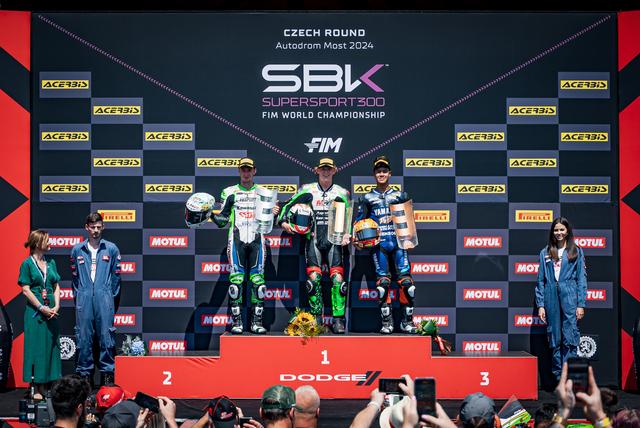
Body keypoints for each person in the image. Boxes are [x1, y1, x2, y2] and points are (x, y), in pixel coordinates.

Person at [278, 158, 351, 333]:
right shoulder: (307, 190)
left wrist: (347, 233)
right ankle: (317, 318)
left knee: (338, 280)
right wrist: (283, 222)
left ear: (334, 170)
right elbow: (287, 205)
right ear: (316, 170)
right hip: (313, 239)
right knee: (313, 279)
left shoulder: (342, 192)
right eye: (322, 168)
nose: (325, 171)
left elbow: (348, 215)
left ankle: (338, 320)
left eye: (329, 168)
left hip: (334, 239)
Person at [212, 157, 280, 334]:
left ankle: (256, 322)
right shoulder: (229, 192)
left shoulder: (264, 192)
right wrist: (209, 215)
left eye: (249, 169)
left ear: (254, 171)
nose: (246, 173)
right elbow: (222, 220)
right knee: (236, 282)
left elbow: (273, 222)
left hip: (258, 240)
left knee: (259, 282)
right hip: (236, 240)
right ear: (239, 171)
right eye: (243, 169)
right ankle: (237, 323)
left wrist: (274, 212)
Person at [354, 155, 417, 334]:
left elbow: (409, 220)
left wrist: (409, 236)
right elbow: (359, 222)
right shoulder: (367, 198)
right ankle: (387, 323)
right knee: (382, 285)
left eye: (384, 171)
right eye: (378, 171)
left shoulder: (400, 195)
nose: (381, 174)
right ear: (374, 174)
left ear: (390, 174)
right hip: (379, 244)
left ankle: (407, 322)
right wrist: (356, 240)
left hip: (399, 243)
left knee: (407, 283)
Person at [70, 212, 121, 387]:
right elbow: (75, 278)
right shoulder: (77, 250)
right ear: (87, 228)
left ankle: (107, 373)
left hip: (104, 297)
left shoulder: (111, 249)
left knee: (106, 336)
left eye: (99, 227)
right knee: (84, 337)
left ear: (103, 227)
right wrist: (81, 296)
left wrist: (108, 296)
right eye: (92, 227)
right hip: (84, 298)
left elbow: (116, 278)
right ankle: (85, 374)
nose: (96, 230)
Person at [535, 217, 587, 379]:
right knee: (555, 337)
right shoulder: (545, 252)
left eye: (562, 229)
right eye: (556, 230)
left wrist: (581, 304)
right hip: (551, 297)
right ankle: (559, 376)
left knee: (570, 335)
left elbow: (581, 278)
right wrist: (541, 305)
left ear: (567, 231)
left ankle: (569, 375)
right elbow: (541, 280)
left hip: (570, 296)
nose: (559, 233)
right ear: (552, 232)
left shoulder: (576, 251)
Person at [18, 229, 62, 398]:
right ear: (37, 243)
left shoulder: (51, 263)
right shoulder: (27, 264)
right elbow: (26, 290)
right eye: (47, 240)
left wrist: (56, 306)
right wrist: (41, 307)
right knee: (36, 348)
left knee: (50, 347)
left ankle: (45, 385)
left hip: (51, 313)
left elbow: (56, 286)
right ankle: (36, 387)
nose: (50, 243)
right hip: (35, 314)